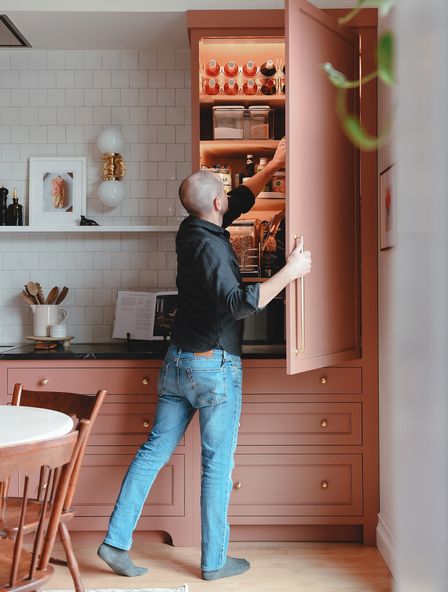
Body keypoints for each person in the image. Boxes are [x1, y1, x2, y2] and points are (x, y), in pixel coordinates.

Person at [98, 138, 311, 581]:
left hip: (178, 361)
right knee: (216, 464)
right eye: (224, 195)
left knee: (152, 451)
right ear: (216, 202)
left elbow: (238, 199)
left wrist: (273, 166)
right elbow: (237, 303)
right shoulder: (213, 247)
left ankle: (115, 542)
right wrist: (289, 273)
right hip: (213, 367)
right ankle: (213, 561)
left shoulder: (193, 228)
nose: (228, 200)